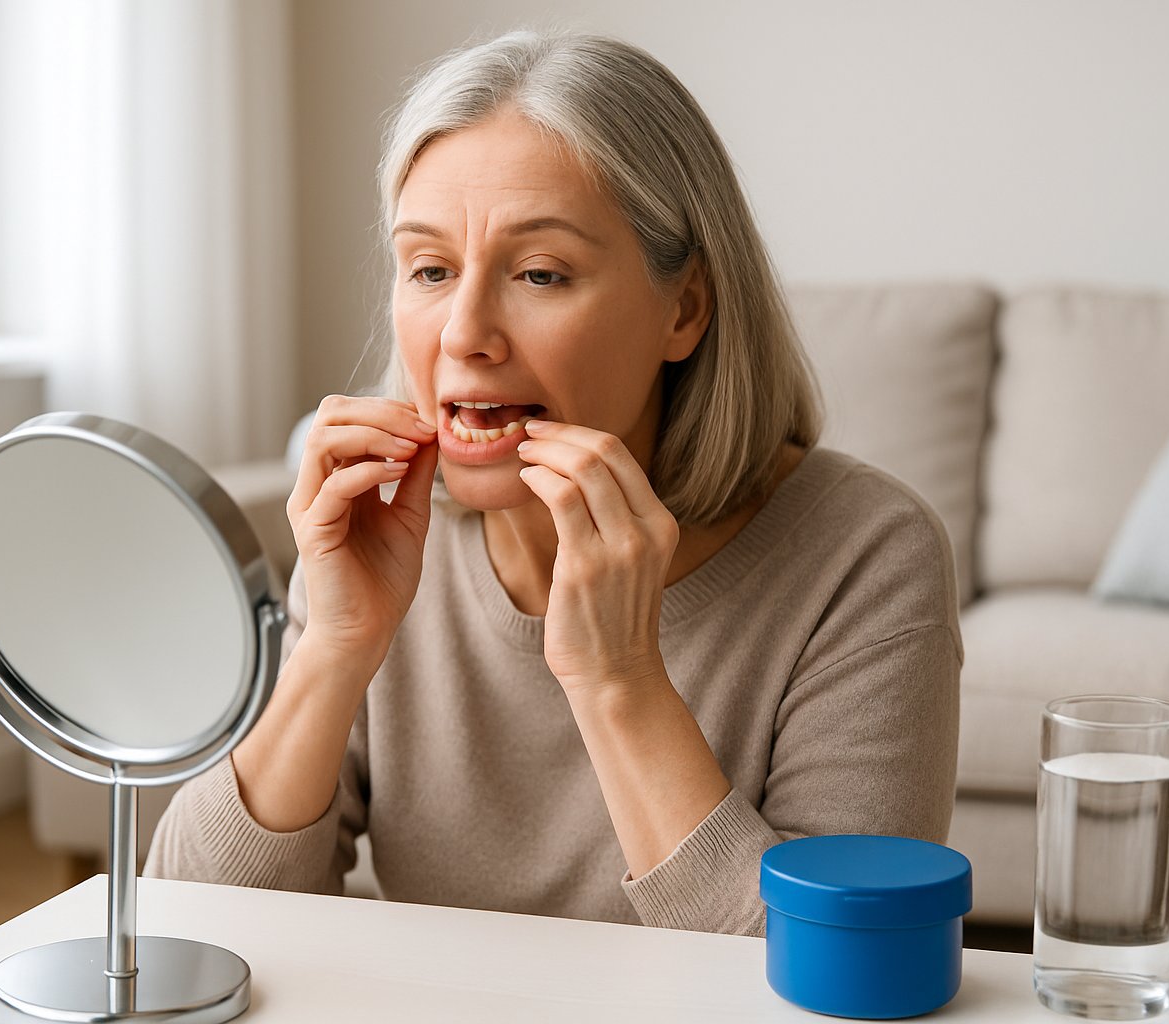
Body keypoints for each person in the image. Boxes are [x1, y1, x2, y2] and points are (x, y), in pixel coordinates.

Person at [144, 29, 960, 937]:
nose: (464, 333)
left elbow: (840, 973)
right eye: (430, 269)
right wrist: (333, 649)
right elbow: (193, 928)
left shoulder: (868, 555)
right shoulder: (376, 536)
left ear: (684, 308)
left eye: (540, 273)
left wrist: (618, 679)